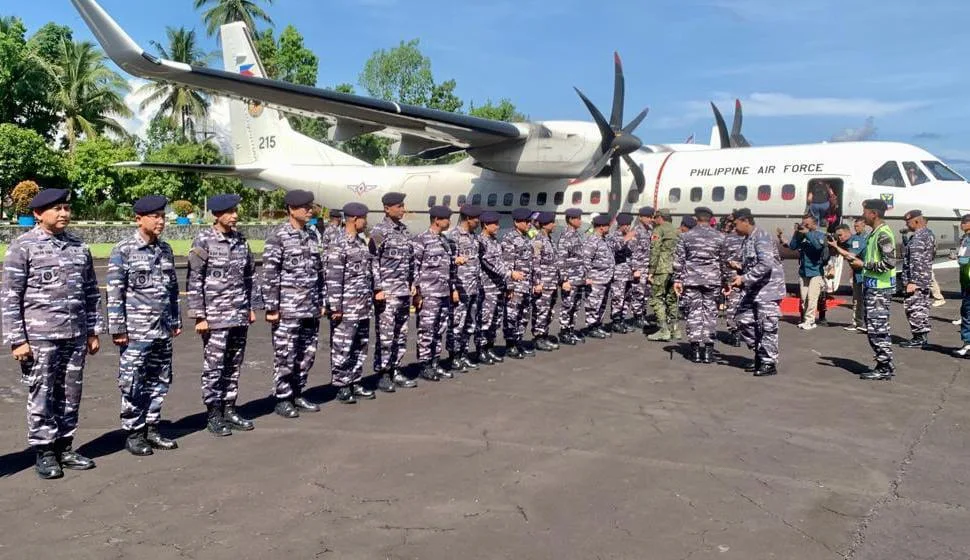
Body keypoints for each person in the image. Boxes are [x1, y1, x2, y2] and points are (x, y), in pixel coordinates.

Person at [1, 188, 102, 479]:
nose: (64, 214)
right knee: (42, 394)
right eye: (57, 209)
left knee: (70, 393)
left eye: (67, 209)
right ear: (37, 213)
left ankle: (65, 446)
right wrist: (17, 339)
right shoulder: (23, 247)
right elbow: (10, 297)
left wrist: (94, 331)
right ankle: (44, 451)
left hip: (74, 334)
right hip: (40, 336)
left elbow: (91, 293)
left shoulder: (78, 247)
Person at [106, 195, 181, 456]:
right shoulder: (124, 250)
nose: (161, 221)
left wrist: (175, 319)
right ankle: (134, 431)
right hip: (136, 331)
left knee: (160, 380)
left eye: (163, 215)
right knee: (133, 381)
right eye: (155, 216)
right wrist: (117, 328)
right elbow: (114, 292)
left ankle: (152, 427)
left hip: (161, 328)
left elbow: (172, 290)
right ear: (139, 219)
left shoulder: (166, 249)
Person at [187, 194, 261, 436]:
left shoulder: (241, 240)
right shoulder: (204, 241)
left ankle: (229, 407)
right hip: (216, 316)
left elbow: (249, 274)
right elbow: (195, 279)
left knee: (234, 364)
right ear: (217, 214)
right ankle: (214, 413)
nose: (235, 215)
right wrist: (200, 315)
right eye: (230, 211)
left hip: (238, 313)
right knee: (215, 366)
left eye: (235, 211)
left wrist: (250, 306)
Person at [263, 189, 327, 418]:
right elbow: (270, 274)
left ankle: (298, 392)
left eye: (310, 207)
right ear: (292, 209)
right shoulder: (278, 235)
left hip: (309, 306)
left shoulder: (312, 235)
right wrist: (272, 307)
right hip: (288, 308)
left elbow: (319, 271)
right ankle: (282, 397)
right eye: (305, 207)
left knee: (307, 353)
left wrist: (321, 300)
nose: (310, 210)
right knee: (286, 355)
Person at [327, 202, 380, 403]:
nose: (366, 222)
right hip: (346, 306)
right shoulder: (338, 243)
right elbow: (333, 278)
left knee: (360, 345)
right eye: (364, 218)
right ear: (355, 219)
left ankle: (355, 380)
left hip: (362, 305)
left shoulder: (360, 242)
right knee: (343, 346)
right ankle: (342, 385)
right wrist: (336, 307)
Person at [726, 208, 785, 377]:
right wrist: (738, 267)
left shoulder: (761, 237)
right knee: (743, 319)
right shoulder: (747, 240)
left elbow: (766, 264)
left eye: (736, 224)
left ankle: (768, 362)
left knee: (767, 326)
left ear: (745, 221)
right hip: (754, 289)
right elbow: (753, 264)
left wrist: (744, 279)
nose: (735, 228)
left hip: (768, 289)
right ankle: (760, 354)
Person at [368, 192, 417, 391]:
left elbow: (410, 260)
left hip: (403, 291)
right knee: (386, 336)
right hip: (387, 292)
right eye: (398, 206)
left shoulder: (404, 231)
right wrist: (378, 288)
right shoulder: (380, 231)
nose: (402, 210)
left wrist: (412, 282)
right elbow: (372, 261)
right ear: (387, 209)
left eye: (403, 206)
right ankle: (383, 373)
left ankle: (395, 368)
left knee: (400, 334)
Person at [844, 198, 897, 380]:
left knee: (878, 329)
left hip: (880, 291)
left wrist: (863, 265)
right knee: (874, 328)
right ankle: (883, 364)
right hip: (873, 288)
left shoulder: (883, 234)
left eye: (865, 211)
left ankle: (884, 367)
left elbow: (889, 263)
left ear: (873, 214)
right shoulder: (874, 233)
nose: (863, 215)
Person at [673, 207, 725, 363]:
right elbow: (724, 260)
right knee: (710, 312)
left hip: (692, 279)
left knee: (694, 312)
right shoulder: (720, 237)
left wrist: (677, 279)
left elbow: (679, 260)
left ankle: (695, 349)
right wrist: (727, 281)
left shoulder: (686, 236)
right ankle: (708, 350)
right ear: (710, 219)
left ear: (696, 219)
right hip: (712, 279)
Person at [413, 205, 458, 379]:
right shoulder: (421, 240)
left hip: (443, 292)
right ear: (437, 220)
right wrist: (417, 293)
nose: (449, 222)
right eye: (447, 218)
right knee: (427, 330)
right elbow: (414, 267)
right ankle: (424, 364)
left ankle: (435, 362)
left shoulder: (444, 241)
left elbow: (448, 268)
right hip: (429, 293)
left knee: (439, 330)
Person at [446, 205, 485, 369]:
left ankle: (463, 353)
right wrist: (453, 288)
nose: (478, 221)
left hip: (473, 287)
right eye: (476, 218)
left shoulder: (473, 236)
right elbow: (449, 264)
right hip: (461, 287)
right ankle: (453, 356)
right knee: (457, 324)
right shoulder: (453, 237)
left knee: (469, 323)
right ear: (469, 218)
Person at [477, 211, 516, 363]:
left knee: (494, 321)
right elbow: (491, 263)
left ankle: (489, 348)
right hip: (487, 289)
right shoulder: (482, 242)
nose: (498, 226)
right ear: (486, 225)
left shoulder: (494, 241)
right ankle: (481, 350)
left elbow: (502, 261)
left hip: (498, 287)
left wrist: (507, 285)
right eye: (495, 223)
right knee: (485, 321)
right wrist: (510, 274)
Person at [778, 214, 826, 330]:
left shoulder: (820, 235)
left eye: (807, 224)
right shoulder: (802, 235)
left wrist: (807, 233)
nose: (804, 225)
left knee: (812, 297)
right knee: (804, 298)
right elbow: (793, 246)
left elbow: (818, 247)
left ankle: (810, 321)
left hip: (816, 271)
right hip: (804, 271)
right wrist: (796, 233)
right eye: (803, 223)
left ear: (814, 223)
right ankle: (805, 319)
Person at [502, 207, 538, 358]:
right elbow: (508, 264)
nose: (529, 224)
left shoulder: (526, 238)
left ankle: (518, 341)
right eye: (526, 221)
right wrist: (509, 287)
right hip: (516, 286)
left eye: (530, 221)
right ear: (517, 222)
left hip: (526, 285)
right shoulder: (509, 239)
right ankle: (510, 345)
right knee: (512, 315)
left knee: (523, 316)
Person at [898, 210, 936, 348]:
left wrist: (913, 282)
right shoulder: (927, 234)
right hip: (923, 278)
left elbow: (916, 261)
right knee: (920, 307)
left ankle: (919, 338)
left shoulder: (920, 237)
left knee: (915, 308)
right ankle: (920, 336)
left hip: (917, 280)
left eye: (908, 222)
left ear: (916, 221)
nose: (907, 225)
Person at [826, 221, 868, 333]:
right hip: (857, 274)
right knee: (856, 300)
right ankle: (857, 323)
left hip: (865, 273)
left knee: (864, 300)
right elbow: (834, 254)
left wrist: (836, 246)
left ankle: (866, 324)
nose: (839, 238)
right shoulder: (844, 242)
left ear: (848, 232)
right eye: (837, 236)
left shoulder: (856, 241)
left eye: (840, 235)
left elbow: (851, 256)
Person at [647, 208, 681, 341]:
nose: (654, 220)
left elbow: (655, 251)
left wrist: (651, 271)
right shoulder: (677, 231)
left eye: (655, 218)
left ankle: (663, 330)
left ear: (660, 217)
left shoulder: (659, 230)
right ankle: (675, 329)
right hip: (674, 268)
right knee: (671, 299)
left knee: (656, 298)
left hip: (662, 268)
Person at [557, 208, 588, 345]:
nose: (580, 221)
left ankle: (570, 329)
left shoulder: (578, 235)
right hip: (570, 277)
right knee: (567, 306)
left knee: (576, 306)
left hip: (579, 277)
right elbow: (561, 260)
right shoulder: (566, 237)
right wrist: (564, 280)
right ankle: (564, 332)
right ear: (570, 219)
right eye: (577, 218)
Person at [531, 211, 561, 351]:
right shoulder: (538, 240)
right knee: (541, 311)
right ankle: (538, 338)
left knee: (548, 311)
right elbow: (535, 263)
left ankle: (544, 335)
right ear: (544, 224)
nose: (554, 225)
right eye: (552, 222)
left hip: (552, 283)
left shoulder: (549, 239)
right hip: (543, 283)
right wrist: (537, 282)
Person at [583, 214, 616, 339]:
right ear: (601, 227)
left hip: (605, 278)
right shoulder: (592, 240)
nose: (609, 227)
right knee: (593, 304)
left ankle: (597, 324)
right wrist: (587, 276)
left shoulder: (604, 239)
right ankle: (591, 327)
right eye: (607, 225)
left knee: (602, 303)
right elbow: (586, 259)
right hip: (596, 278)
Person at [607, 214, 636, 333]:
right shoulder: (613, 236)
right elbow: (613, 249)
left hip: (628, 273)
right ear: (621, 225)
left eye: (629, 225)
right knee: (617, 298)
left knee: (627, 298)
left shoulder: (629, 236)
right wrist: (626, 239)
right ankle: (616, 321)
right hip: (618, 273)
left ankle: (622, 319)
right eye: (627, 225)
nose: (628, 227)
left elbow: (633, 253)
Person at [629, 207, 655, 329]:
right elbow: (632, 251)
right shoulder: (636, 231)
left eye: (651, 217)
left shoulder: (650, 230)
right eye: (647, 217)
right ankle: (637, 317)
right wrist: (635, 269)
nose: (650, 219)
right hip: (639, 267)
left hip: (647, 266)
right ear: (640, 217)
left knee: (646, 293)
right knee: (638, 293)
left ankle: (642, 314)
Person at [720, 212, 744, 347]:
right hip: (749, 277)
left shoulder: (728, 239)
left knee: (733, 305)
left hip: (733, 276)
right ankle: (744, 331)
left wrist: (725, 280)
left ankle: (735, 333)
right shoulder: (749, 237)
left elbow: (724, 260)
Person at [953, 215, 970, 357]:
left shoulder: (968, 239)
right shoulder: (965, 238)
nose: (961, 225)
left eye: (964, 222)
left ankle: (967, 344)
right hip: (966, 279)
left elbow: (964, 259)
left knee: (967, 312)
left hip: (968, 280)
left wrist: (958, 258)